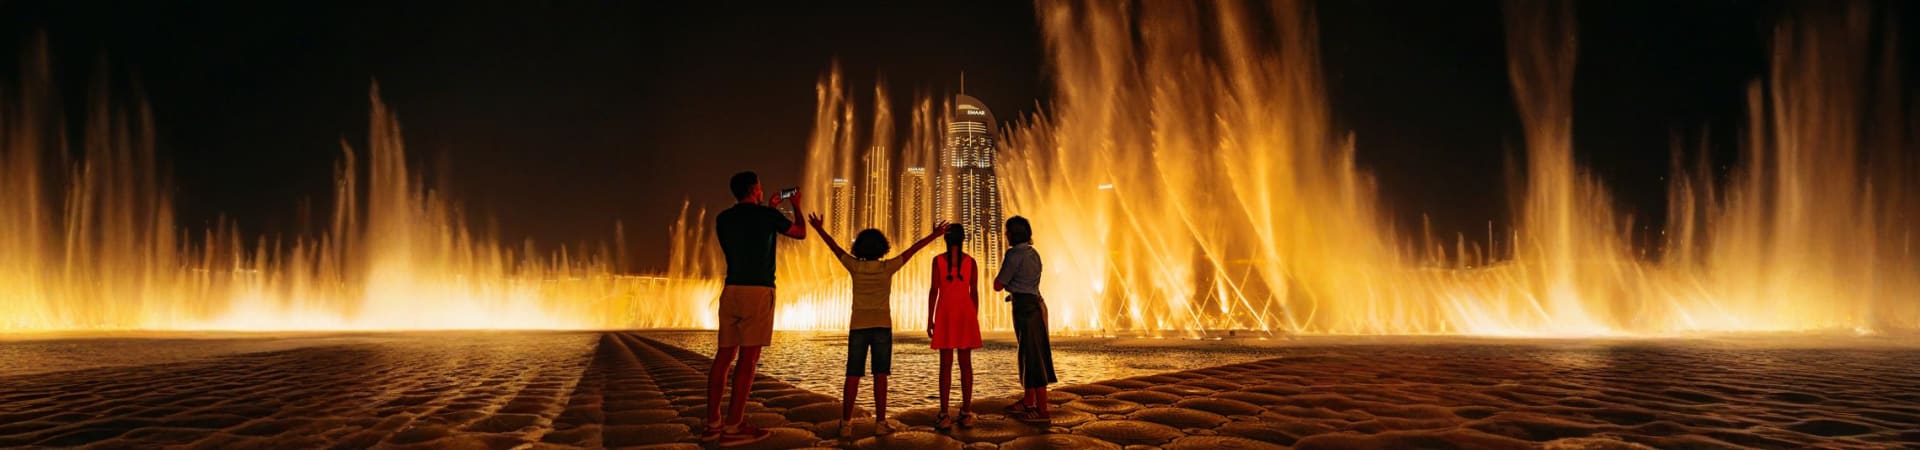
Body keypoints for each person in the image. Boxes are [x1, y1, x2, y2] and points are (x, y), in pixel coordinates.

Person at [807, 214, 948, 437]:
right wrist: (935, 234)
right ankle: (881, 422)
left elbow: (834, 247)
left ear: (859, 248)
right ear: (882, 248)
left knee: (852, 374)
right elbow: (913, 250)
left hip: (858, 327)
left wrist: (819, 229)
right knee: (880, 375)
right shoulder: (887, 268)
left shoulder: (854, 266)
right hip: (882, 326)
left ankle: (846, 424)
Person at [703, 171, 804, 447]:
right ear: (755, 189)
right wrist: (794, 204)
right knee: (748, 361)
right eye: (759, 187)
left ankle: (713, 423)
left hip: (731, 290)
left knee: (724, 357)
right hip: (758, 291)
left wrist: (769, 210)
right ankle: (734, 427)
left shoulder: (723, 218)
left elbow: (749, 235)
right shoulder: (767, 217)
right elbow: (800, 232)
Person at [995, 215, 1055, 422]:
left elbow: (998, 283)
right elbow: (1029, 283)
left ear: (1013, 234)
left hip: (1024, 310)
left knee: (1033, 356)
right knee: (1032, 353)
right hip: (1036, 305)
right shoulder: (1034, 253)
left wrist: (1009, 286)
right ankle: (1029, 400)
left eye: (1007, 232)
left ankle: (1042, 410)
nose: (1005, 235)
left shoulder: (1013, 255)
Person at [927, 224, 982, 431]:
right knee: (966, 365)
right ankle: (967, 412)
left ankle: (944, 414)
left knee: (946, 365)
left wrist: (929, 318)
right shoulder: (971, 262)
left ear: (946, 240)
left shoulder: (938, 261)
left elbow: (934, 291)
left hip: (945, 314)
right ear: (963, 240)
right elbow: (974, 292)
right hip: (965, 314)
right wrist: (973, 316)